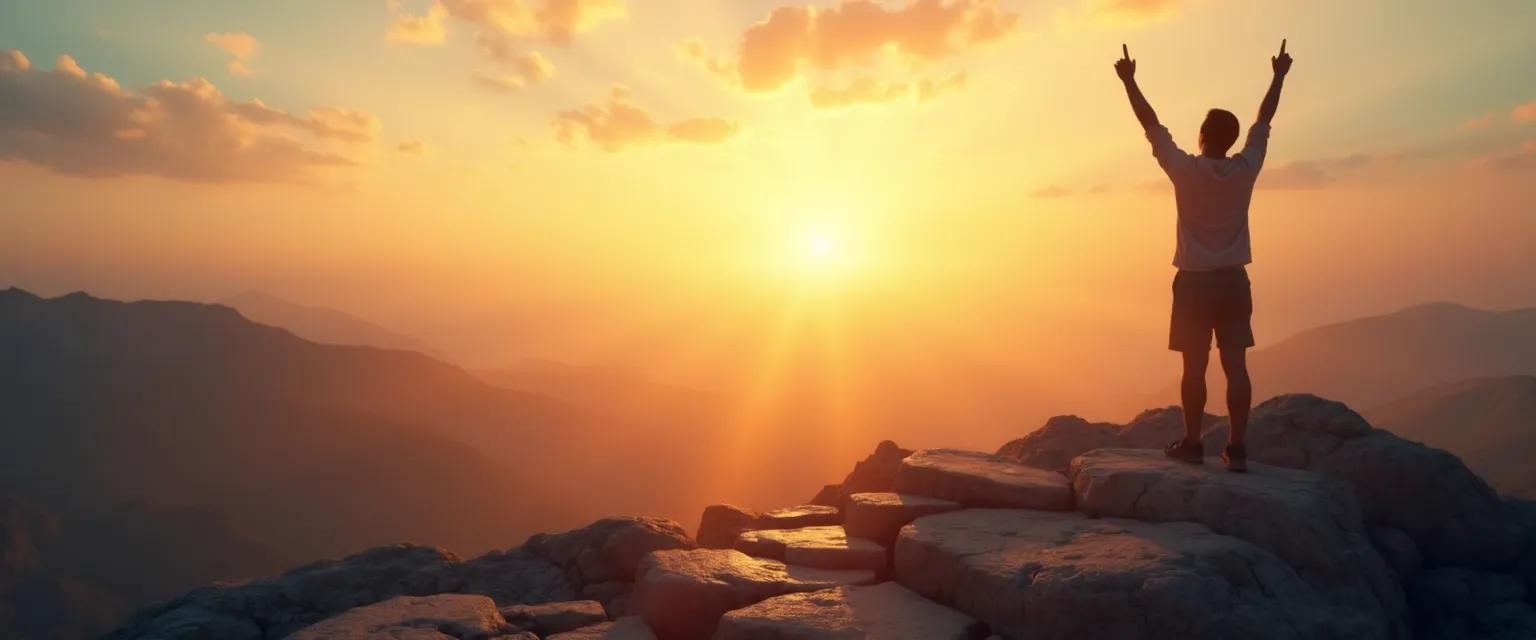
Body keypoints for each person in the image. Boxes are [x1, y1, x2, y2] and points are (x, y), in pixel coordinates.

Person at [1115, 40, 1293, 472]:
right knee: (1236, 365)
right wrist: (1278, 76)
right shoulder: (1245, 169)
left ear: (1201, 136)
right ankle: (1237, 449)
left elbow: (1151, 124)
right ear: (1231, 140)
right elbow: (1264, 121)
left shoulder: (1185, 170)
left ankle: (1193, 443)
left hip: (1193, 281)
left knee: (1193, 368)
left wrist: (1129, 81)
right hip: (1233, 280)